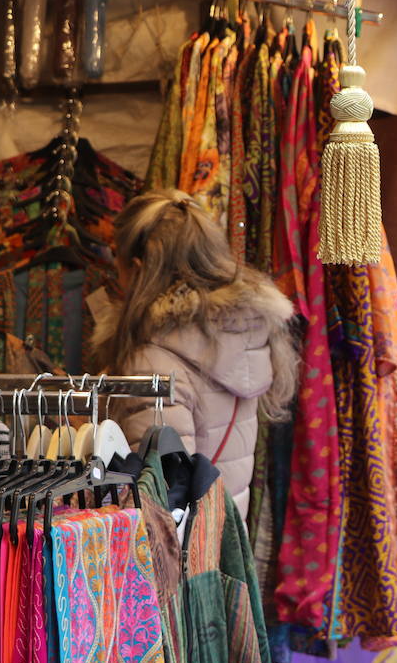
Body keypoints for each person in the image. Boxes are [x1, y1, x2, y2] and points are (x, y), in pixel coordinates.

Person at [96, 189, 298, 506]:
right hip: (225, 540)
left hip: (179, 550)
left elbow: (160, 496)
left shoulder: (151, 361)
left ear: (136, 269)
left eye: (115, 262)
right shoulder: (243, 336)